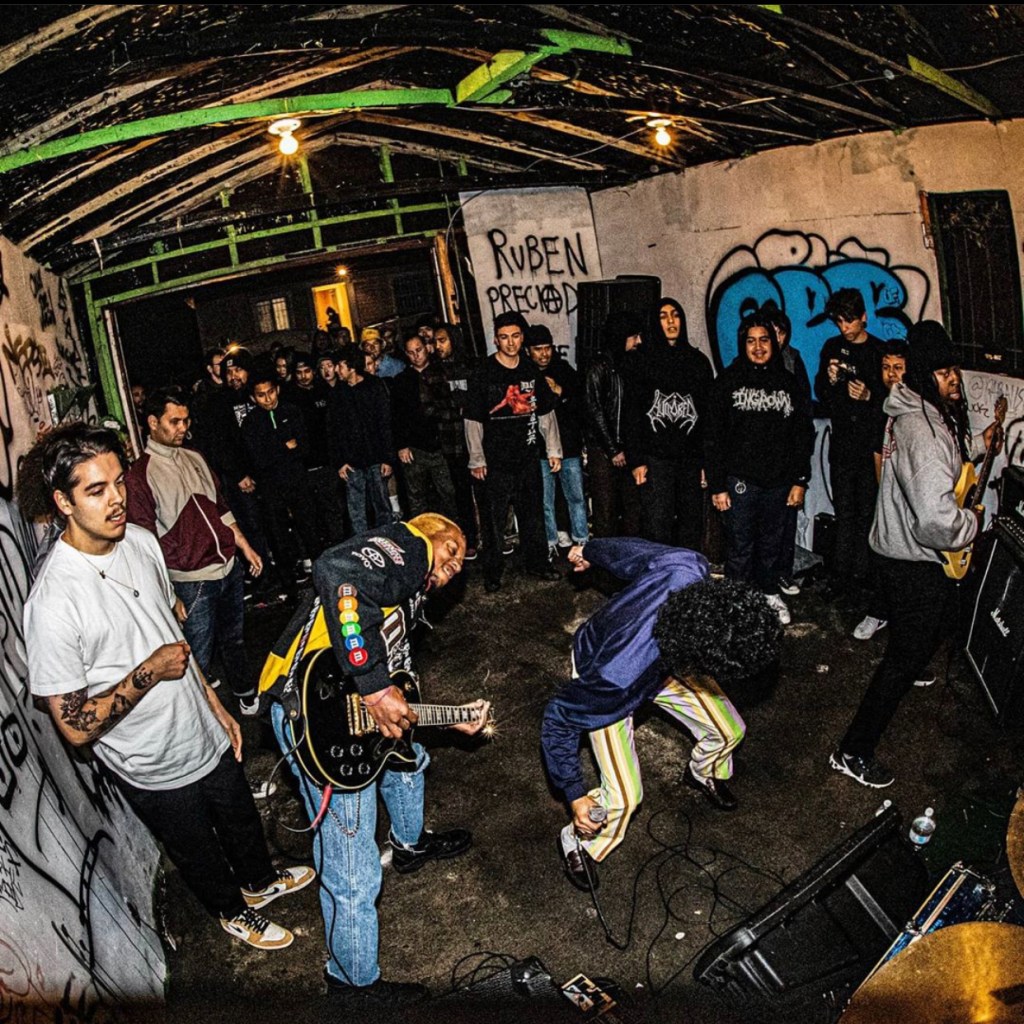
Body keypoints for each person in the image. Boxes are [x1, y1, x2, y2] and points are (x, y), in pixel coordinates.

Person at [24, 424, 314, 951]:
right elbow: (74, 726)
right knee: (196, 846)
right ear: (63, 502)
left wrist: (214, 704)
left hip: (200, 724)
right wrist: (150, 672)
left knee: (239, 813)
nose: (116, 499)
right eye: (96, 490)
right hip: (150, 761)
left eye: (118, 482)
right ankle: (232, 910)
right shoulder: (52, 603)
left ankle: (259, 881)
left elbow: (170, 634)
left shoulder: (139, 542)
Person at [258, 513, 489, 1007]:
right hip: (318, 717)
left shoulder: (409, 591)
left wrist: (449, 718)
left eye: (459, 563)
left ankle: (409, 844)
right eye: (451, 549)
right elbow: (335, 570)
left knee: (408, 758)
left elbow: (396, 687)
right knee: (352, 863)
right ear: (428, 531)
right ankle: (352, 984)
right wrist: (374, 686)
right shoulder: (408, 547)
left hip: (336, 706)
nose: (454, 565)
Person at [541, 538, 781, 889]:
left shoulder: (690, 568)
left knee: (729, 730)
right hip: (606, 674)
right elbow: (558, 717)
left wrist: (589, 551)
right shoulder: (615, 677)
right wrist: (574, 793)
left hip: (665, 657)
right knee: (624, 798)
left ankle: (702, 773)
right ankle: (579, 842)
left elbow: (630, 552)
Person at [829, 322, 1001, 788]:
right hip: (912, 558)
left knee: (924, 635)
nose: (954, 379)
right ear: (925, 374)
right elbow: (935, 520)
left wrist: (979, 444)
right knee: (901, 661)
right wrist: (974, 524)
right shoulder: (920, 427)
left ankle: (913, 654)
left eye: (954, 370)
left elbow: (943, 461)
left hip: (900, 550)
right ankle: (852, 750)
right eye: (944, 373)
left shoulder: (922, 411)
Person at [125, 387, 264, 712]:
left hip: (228, 567)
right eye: (174, 421)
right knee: (194, 655)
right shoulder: (139, 476)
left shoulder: (195, 456)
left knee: (234, 639)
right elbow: (144, 544)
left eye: (186, 421)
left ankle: (245, 693)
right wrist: (169, 593)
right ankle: (203, 715)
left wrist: (244, 547)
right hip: (190, 580)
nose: (182, 428)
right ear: (152, 422)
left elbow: (221, 508)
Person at [705, 313, 815, 626]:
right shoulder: (727, 382)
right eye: (751, 341)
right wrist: (717, 485)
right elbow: (712, 437)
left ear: (774, 343)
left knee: (771, 545)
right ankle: (735, 602)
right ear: (743, 344)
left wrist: (800, 480)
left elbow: (802, 435)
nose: (758, 347)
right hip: (740, 482)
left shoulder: (789, 383)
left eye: (764, 340)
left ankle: (769, 593)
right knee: (740, 546)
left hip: (779, 482)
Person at [464, 311, 563, 593]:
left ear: (522, 338)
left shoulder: (530, 370)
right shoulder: (484, 372)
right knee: (494, 523)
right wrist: (476, 459)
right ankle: (493, 573)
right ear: (496, 340)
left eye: (516, 336)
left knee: (533, 516)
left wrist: (553, 450)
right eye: (504, 337)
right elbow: (472, 419)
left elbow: (545, 413)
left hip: (527, 458)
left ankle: (538, 564)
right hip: (494, 463)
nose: (510, 342)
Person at [814, 289, 886, 602]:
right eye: (840, 322)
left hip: (871, 449)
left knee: (868, 514)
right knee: (844, 513)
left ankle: (863, 578)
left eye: (849, 321)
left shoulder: (879, 351)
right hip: (842, 447)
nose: (844, 328)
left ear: (863, 317)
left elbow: (894, 400)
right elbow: (822, 393)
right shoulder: (832, 347)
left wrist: (870, 397)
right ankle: (841, 578)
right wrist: (830, 380)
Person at [625, 298, 713, 549]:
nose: (671, 321)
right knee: (656, 523)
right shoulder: (641, 361)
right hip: (655, 458)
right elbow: (632, 414)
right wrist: (636, 459)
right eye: (663, 316)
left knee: (691, 522)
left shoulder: (698, 361)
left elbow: (708, 415)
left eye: (675, 315)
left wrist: (707, 461)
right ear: (655, 322)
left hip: (690, 457)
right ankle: (659, 570)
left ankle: (686, 571)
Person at [853, 341, 908, 642]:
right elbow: (877, 454)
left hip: (913, 497)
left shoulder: (916, 405)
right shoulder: (881, 406)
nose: (891, 374)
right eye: (886, 367)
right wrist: (884, 495)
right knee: (882, 555)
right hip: (887, 494)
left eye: (898, 367)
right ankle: (877, 612)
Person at [525, 324, 589, 557]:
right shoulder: (525, 373)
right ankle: (550, 543)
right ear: (528, 351)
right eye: (538, 349)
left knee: (576, 497)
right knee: (545, 501)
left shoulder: (564, 370)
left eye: (547, 348)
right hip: (539, 448)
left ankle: (582, 541)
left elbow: (581, 404)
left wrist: (561, 391)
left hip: (568, 446)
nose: (544, 354)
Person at [763, 302, 812, 597]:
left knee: (786, 520)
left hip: (788, 456)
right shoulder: (750, 363)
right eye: (772, 332)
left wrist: (801, 468)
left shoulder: (793, 360)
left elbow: (804, 412)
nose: (777, 338)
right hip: (761, 459)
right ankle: (762, 579)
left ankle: (782, 574)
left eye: (781, 332)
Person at [584, 310, 643, 539]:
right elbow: (594, 410)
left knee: (631, 509)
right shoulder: (598, 366)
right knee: (605, 510)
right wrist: (612, 449)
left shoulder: (630, 364)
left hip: (626, 447)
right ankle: (605, 558)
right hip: (604, 450)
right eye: (633, 336)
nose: (638, 341)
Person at [328, 343, 395, 535]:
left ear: (351, 366)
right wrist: (340, 462)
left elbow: (385, 423)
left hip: (376, 458)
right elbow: (332, 430)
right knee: (356, 511)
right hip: (352, 463)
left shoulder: (374, 386)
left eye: (340, 365)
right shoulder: (337, 393)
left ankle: (386, 541)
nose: (337, 370)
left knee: (382, 506)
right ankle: (362, 545)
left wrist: (387, 458)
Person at [390, 332, 458, 519]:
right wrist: (402, 445)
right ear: (406, 354)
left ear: (427, 348)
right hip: (414, 448)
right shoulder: (401, 380)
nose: (416, 355)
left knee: (448, 493)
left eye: (418, 350)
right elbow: (396, 416)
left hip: (441, 444)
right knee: (417, 497)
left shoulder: (442, 373)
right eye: (411, 352)